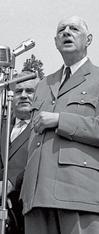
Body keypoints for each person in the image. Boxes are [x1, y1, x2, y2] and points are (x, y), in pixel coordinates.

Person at [20, 16, 99, 234]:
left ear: (89, 39)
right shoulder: (43, 84)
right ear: (55, 41)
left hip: (80, 192)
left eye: (74, 29)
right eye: (62, 30)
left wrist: (61, 120)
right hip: (37, 195)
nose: (67, 32)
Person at [0, 71, 39, 234]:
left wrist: (11, 181)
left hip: (26, 215)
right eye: (18, 91)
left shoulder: (44, 129)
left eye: (29, 91)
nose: (23, 96)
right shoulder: (2, 124)